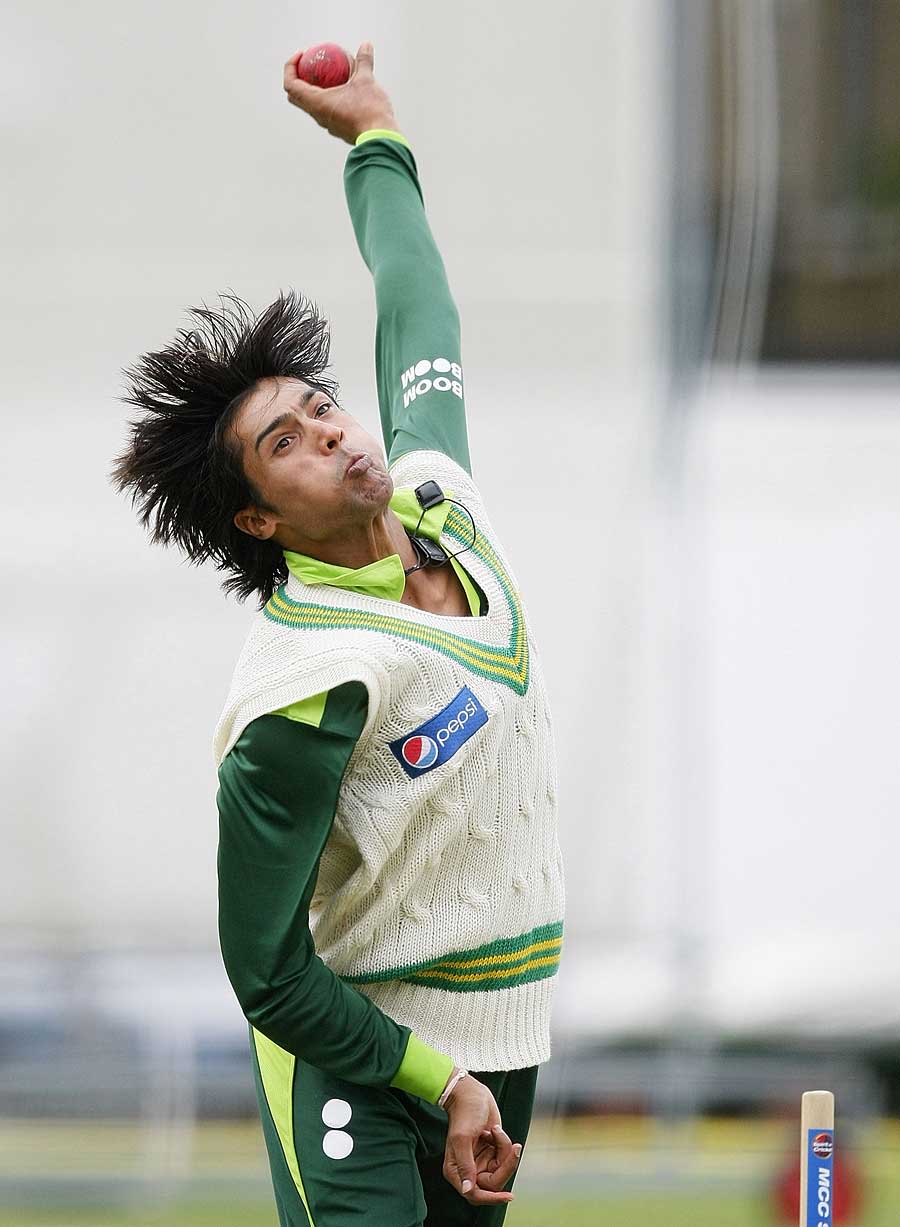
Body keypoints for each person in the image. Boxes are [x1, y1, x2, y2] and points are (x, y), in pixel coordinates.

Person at [113, 41, 565, 1227]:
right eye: (288, 445)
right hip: (355, 1066)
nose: (330, 434)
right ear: (259, 517)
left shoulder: (440, 502)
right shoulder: (307, 682)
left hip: (508, 1041)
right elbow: (266, 972)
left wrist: (376, 138)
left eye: (320, 409)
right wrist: (434, 1078)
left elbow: (419, 301)